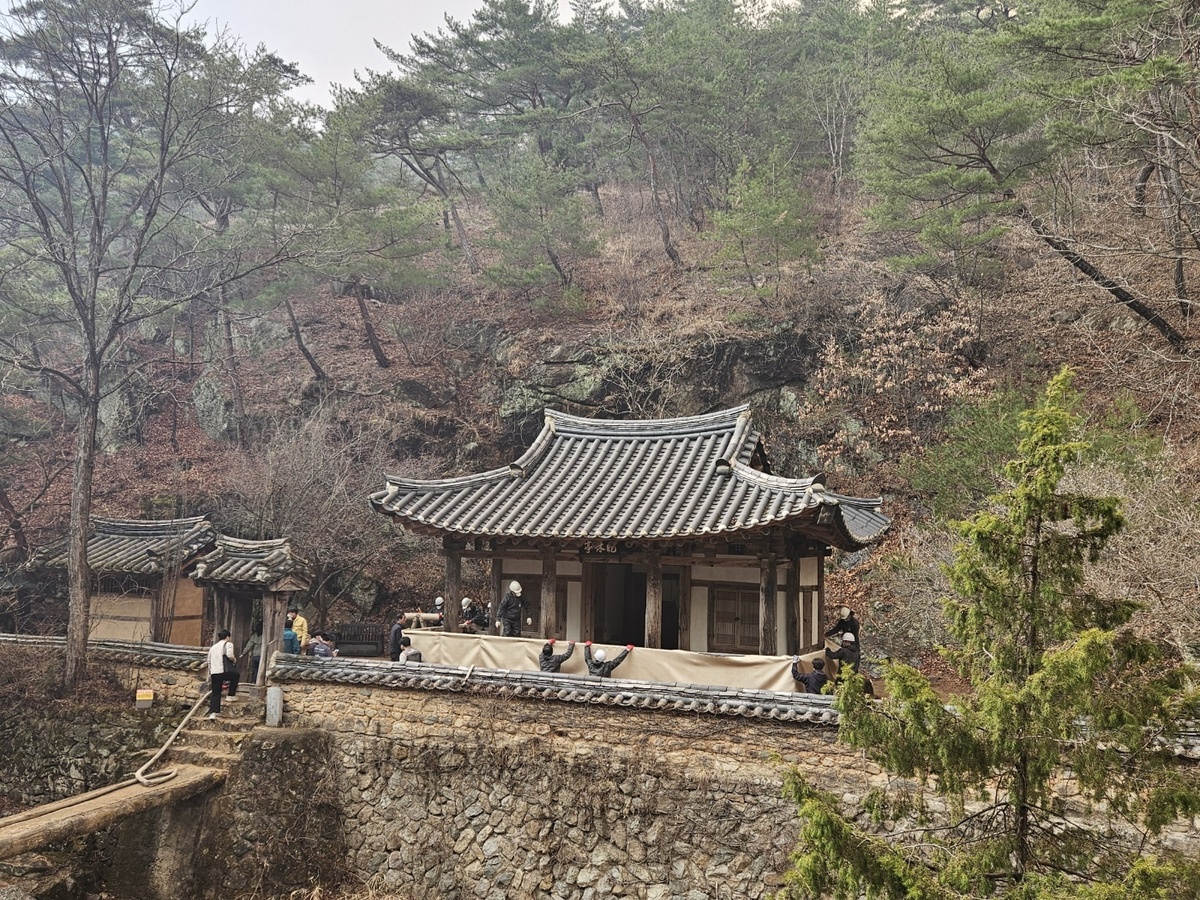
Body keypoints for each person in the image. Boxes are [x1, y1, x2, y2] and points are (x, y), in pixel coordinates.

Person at [207, 629, 239, 719]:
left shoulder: (213, 648)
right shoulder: (228, 644)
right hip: (223, 670)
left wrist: (210, 672)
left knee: (216, 692)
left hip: (214, 672)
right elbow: (229, 655)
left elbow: (208, 661)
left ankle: (213, 713)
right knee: (236, 675)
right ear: (227, 637)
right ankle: (231, 695)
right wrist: (234, 659)